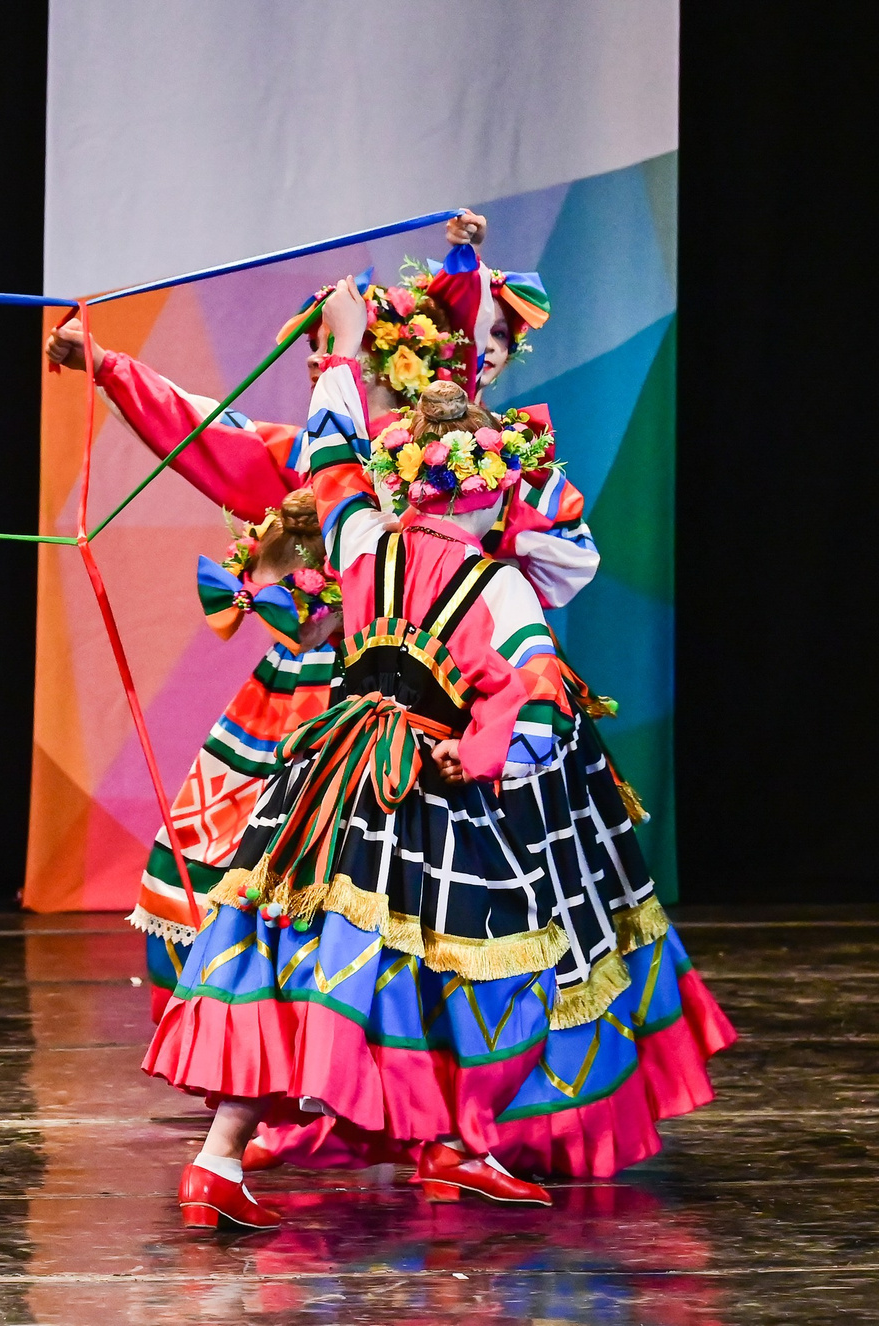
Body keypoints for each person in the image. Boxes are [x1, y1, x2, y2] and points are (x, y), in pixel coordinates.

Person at [146, 282, 733, 1231]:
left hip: (334, 775)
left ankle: (221, 1157)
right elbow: (537, 684)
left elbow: (333, 462)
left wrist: (337, 354)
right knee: (481, 963)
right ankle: (459, 1142)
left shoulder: (363, 542)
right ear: (492, 489)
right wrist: (491, 751)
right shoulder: (496, 585)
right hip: (433, 791)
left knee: (288, 939)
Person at [43, 212, 596, 1004]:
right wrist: (104, 363)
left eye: (351, 361)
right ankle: (265, 1055)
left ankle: (406, 1065)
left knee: (426, 898)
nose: (327, 375)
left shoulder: (476, 472)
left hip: (439, 707)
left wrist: (461, 263)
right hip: (313, 704)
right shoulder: (321, 460)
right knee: (261, 874)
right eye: (331, 363)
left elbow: (562, 548)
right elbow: (205, 428)